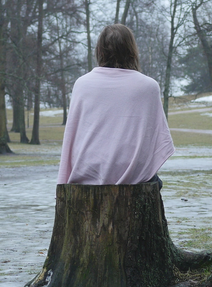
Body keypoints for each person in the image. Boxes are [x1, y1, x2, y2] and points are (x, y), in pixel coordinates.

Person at [57, 24, 175, 186]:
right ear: (132, 50)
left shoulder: (82, 84)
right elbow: (157, 140)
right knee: (155, 182)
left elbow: (72, 135)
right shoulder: (148, 87)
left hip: (88, 170)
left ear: (99, 51)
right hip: (133, 172)